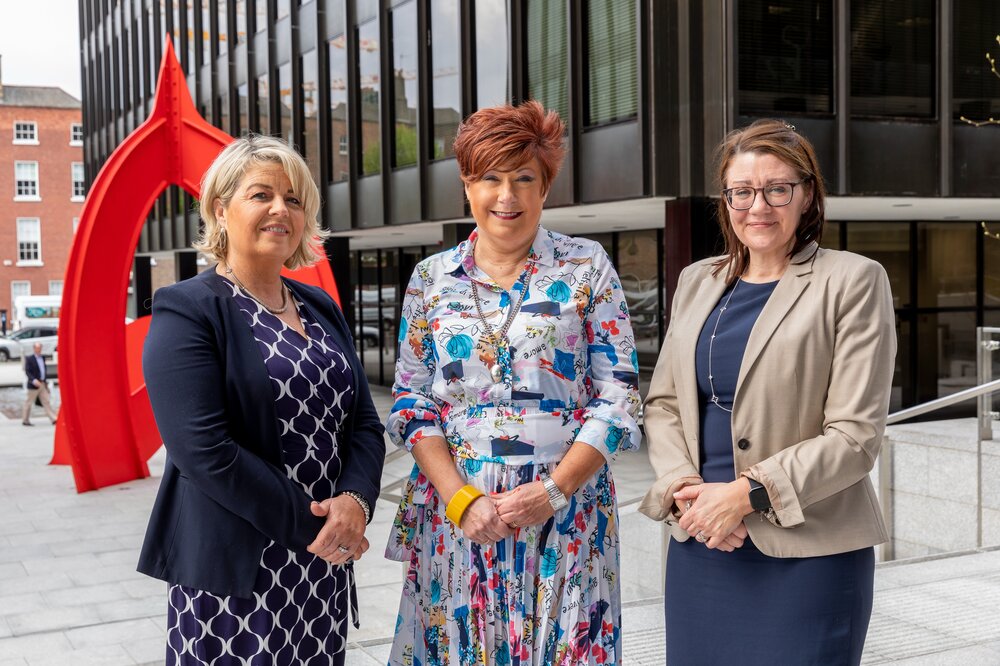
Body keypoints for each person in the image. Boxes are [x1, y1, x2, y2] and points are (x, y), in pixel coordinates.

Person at [384, 101, 641, 665]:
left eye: (524, 177)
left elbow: (619, 395)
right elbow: (411, 400)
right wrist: (460, 499)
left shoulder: (586, 266)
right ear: (467, 187)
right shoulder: (431, 279)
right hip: (460, 513)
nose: (508, 196)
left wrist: (554, 491)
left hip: (568, 509)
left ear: (546, 187)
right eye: (490, 178)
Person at [638, 119, 896, 664]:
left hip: (809, 552)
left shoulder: (853, 280)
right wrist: (685, 490)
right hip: (704, 541)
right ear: (725, 199)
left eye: (777, 189)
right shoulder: (697, 280)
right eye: (742, 191)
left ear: (806, 195)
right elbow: (663, 405)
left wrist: (743, 496)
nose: (759, 206)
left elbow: (855, 437)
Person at [138, 135, 385, 665]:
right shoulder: (188, 310)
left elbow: (363, 422)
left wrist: (357, 502)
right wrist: (319, 524)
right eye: (262, 195)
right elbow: (204, 451)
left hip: (321, 566)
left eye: (294, 199)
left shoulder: (318, 304)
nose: (281, 209)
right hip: (236, 574)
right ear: (221, 209)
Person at [22, 342, 57, 425]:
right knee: (29, 402)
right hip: (34, 384)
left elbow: (43, 371)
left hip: (42, 384)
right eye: (37, 348)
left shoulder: (43, 358)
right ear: (34, 349)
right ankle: (25, 420)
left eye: (40, 348)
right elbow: (27, 371)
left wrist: (45, 382)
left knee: (46, 401)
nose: (39, 350)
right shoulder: (29, 359)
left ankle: (53, 419)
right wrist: (33, 380)